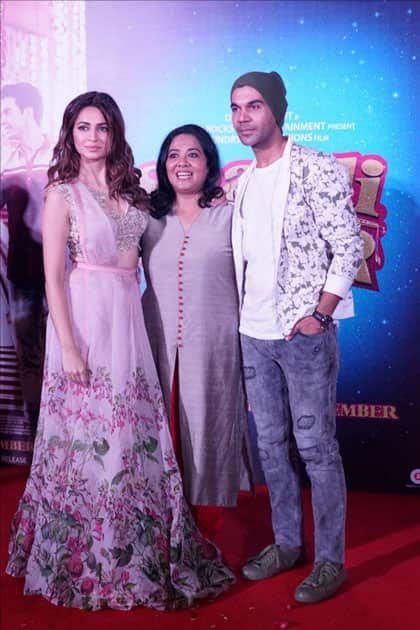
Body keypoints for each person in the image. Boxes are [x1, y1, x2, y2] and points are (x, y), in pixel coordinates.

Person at [6, 92, 234, 611]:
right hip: (83, 323)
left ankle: (132, 546)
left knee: (128, 436)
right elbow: (53, 279)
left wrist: (214, 199)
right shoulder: (61, 194)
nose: (93, 137)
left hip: (128, 323)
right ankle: (85, 552)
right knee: (83, 439)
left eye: (102, 127)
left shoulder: (132, 196)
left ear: (115, 134)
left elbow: (144, 248)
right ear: (70, 133)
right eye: (83, 127)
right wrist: (67, 347)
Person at [229, 71, 363, 603]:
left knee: (316, 449)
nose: (243, 116)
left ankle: (330, 560)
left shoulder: (314, 167)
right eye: (236, 107)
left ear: (277, 111)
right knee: (269, 445)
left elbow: (349, 245)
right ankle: (287, 544)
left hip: (302, 333)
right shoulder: (240, 183)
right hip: (252, 333)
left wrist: (321, 315)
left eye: (253, 106)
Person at [141, 124, 253, 542]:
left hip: (215, 346)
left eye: (192, 154)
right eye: (173, 154)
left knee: (209, 433)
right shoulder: (148, 219)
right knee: (161, 433)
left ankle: (208, 537)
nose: (182, 163)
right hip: (156, 345)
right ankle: (159, 531)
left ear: (209, 164)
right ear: (162, 164)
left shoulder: (231, 215)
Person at [0, 83, 50, 445]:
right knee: (30, 363)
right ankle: (38, 448)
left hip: (66, 276)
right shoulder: (5, 160)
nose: (3, 121)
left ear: (28, 112)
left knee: (67, 360)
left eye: (7, 112)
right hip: (22, 279)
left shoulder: (65, 155)